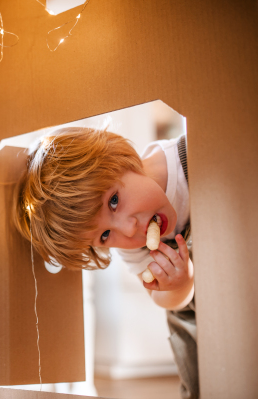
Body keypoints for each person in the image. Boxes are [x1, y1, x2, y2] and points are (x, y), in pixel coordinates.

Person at [14, 126, 198, 399]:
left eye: (113, 201)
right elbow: (160, 297)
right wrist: (179, 287)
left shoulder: (191, 156)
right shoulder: (134, 246)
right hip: (199, 303)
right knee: (181, 321)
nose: (128, 228)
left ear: (119, 159)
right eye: (104, 235)